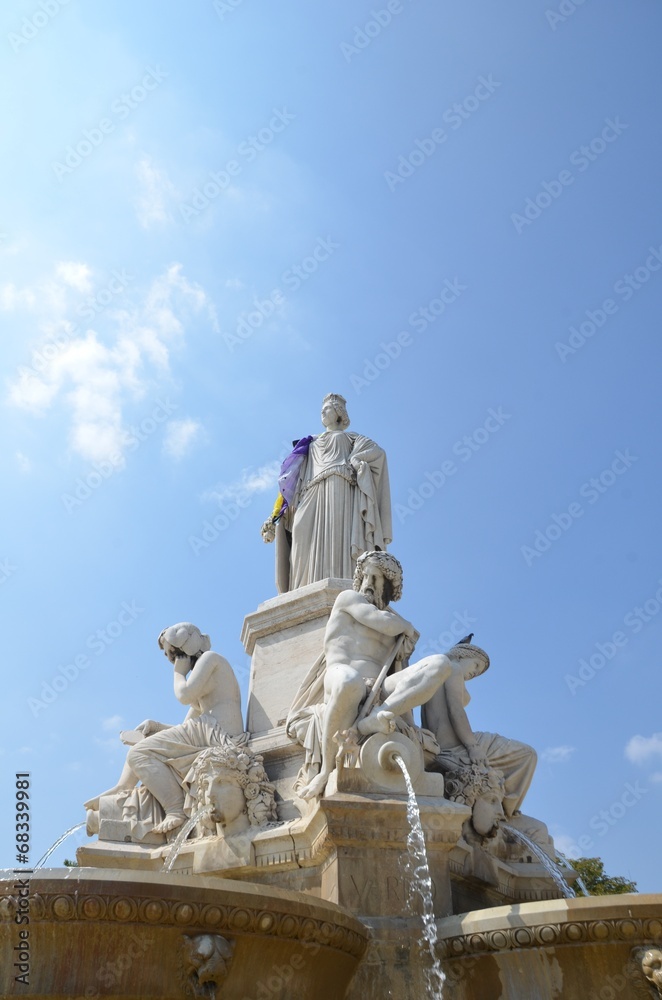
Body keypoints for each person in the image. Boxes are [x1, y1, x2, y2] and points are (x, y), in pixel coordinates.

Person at [287, 551, 454, 800]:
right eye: (364, 576)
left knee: (440, 664)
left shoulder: (396, 623)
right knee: (349, 682)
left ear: (389, 587)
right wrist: (406, 627)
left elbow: (399, 669)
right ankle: (326, 771)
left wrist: (404, 652)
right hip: (341, 676)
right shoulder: (349, 599)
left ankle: (369, 721)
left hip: (380, 689)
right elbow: (379, 621)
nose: (367, 584)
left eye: (375, 579)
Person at [84, 623, 247, 836]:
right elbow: (185, 726)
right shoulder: (205, 674)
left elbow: (184, 694)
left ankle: (175, 810)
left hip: (219, 734)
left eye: (175, 654)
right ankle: (123, 787)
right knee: (143, 744)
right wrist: (156, 727)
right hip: (207, 730)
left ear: (185, 650)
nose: (173, 660)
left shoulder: (211, 659)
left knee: (139, 753)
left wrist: (179, 674)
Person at [261, 394, 392, 593]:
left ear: (339, 413)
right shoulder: (309, 443)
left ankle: (345, 582)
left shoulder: (351, 438)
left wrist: (356, 459)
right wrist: (277, 514)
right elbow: (292, 481)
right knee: (300, 535)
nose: (323, 412)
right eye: (322, 409)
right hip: (309, 492)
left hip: (338, 486)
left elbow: (378, 453)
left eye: (328, 408)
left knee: (336, 531)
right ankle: (301, 588)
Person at [421, 643, 537, 819]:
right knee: (527, 754)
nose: (476, 673)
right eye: (476, 665)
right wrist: (472, 746)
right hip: (457, 745)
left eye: (479, 672)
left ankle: (496, 807)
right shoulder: (452, 667)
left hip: (442, 744)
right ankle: (506, 812)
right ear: (460, 655)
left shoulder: (435, 672)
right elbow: (456, 710)